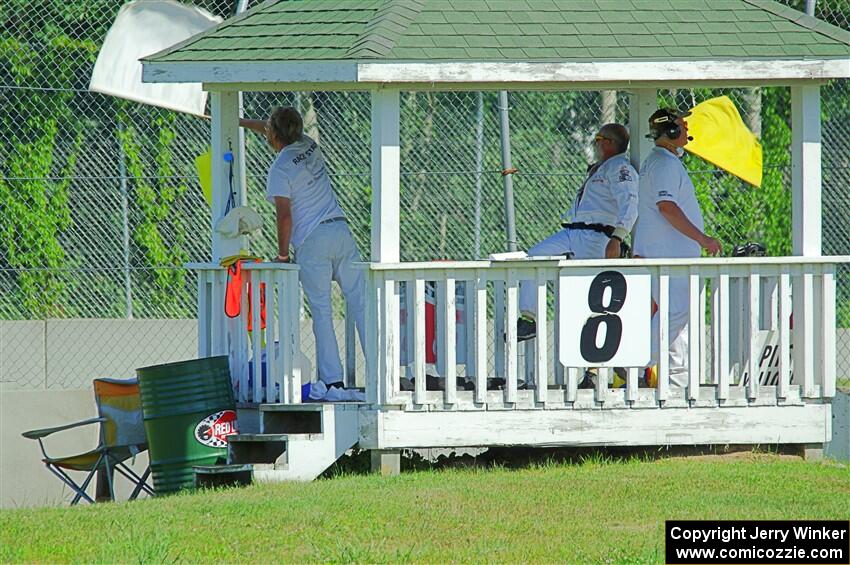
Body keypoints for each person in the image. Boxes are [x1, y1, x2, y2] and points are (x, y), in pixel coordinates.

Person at [241, 107, 365, 391]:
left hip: (312, 241)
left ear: (273, 134)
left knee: (322, 310)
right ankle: (383, 371)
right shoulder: (309, 144)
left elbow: (284, 215)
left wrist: (283, 254)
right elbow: (275, 127)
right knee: (361, 303)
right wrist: (241, 121)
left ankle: (333, 380)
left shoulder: (279, 169)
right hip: (340, 230)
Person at [517, 123, 639, 343]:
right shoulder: (602, 166)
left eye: (598, 139)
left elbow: (630, 203)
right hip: (575, 231)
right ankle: (529, 319)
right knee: (533, 256)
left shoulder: (620, 168)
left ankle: (597, 366)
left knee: (587, 296)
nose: (595, 144)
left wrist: (618, 236)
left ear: (609, 143)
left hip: (598, 236)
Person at [632, 108, 722, 386]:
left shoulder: (661, 161)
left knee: (676, 320)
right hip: (668, 254)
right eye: (681, 125)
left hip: (664, 252)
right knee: (677, 311)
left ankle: (676, 381)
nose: (686, 129)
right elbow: (667, 207)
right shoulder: (664, 164)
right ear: (670, 131)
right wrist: (703, 239)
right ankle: (636, 362)